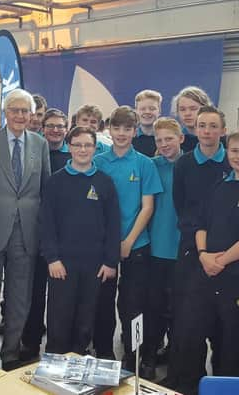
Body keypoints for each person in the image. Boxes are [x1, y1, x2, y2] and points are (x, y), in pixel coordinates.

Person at [171, 126, 239, 394]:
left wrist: (222, 261)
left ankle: (225, 389)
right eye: (234, 151)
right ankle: (191, 387)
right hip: (205, 271)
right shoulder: (221, 184)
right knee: (190, 334)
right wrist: (204, 256)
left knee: (228, 343)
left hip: (237, 278)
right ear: (227, 152)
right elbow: (200, 223)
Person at [0, 88, 51, 371]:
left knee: (19, 299)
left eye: (24, 111)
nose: (19, 115)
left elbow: (44, 191)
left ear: (31, 115)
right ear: (5, 112)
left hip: (26, 235)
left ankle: (11, 354)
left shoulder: (40, 145)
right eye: (14, 110)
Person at [92, 107, 162, 369]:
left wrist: (129, 241)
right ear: (109, 130)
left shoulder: (145, 164)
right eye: (117, 128)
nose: (121, 134)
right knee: (102, 301)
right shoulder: (98, 162)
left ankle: (133, 356)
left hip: (137, 245)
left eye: (127, 129)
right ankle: (103, 352)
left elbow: (148, 207)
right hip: (103, 247)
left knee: (133, 305)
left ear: (135, 131)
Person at [166, 105, 231, 387]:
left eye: (213, 126)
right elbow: (181, 206)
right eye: (202, 126)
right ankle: (190, 381)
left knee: (223, 324)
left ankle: (223, 383)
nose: (207, 131)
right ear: (194, 129)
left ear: (222, 130)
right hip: (192, 251)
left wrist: (218, 254)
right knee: (189, 319)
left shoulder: (233, 162)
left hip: (227, 254)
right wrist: (200, 248)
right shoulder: (184, 164)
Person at [41, 126, 119, 355]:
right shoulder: (56, 182)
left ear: (95, 148)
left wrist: (110, 261)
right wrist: (52, 258)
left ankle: (79, 358)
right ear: (69, 147)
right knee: (59, 316)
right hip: (62, 264)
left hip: (95, 265)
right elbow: (47, 223)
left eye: (87, 145)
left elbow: (113, 224)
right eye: (77, 145)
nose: (82, 149)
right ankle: (55, 362)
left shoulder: (105, 182)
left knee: (87, 318)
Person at [20, 108, 71, 361]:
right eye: (50, 125)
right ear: (43, 127)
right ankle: (30, 342)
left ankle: (59, 345)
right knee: (35, 292)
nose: (55, 130)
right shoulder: (34, 152)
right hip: (38, 234)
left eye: (60, 126)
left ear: (67, 128)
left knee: (62, 296)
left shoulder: (73, 154)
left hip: (67, 236)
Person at [143, 117, 184, 380]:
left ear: (181, 138)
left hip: (183, 250)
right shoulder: (151, 166)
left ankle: (176, 359)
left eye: (169, 138)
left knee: (179, 310)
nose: (164, 144)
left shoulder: (191, 165)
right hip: (155, 248)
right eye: (159, 140)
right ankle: (148, 357)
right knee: (154, 307)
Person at [171, 86, 213, 152]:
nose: (187, 113)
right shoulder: (173, 141)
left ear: (206, 109)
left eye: (193, 109)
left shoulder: (217, 139)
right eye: (182, 109)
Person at [132, 89, 162, 157]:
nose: (147, 112)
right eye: (142, 109)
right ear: (136, 111)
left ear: (159, 111)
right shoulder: (129, 138)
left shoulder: (166, 138)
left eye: (152, 108)